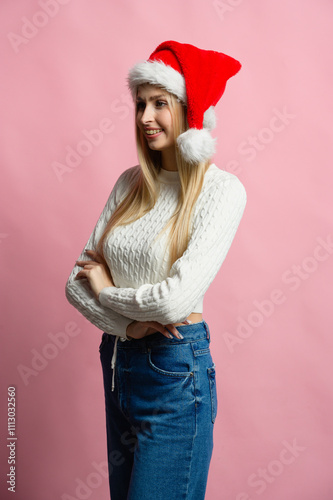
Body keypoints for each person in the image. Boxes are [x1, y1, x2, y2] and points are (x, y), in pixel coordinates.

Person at [65, 40, 247, 500]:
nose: (145, 116)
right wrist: (129, 325)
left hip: (174, 374)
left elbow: (174, 299)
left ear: (190, 111)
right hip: (118, 365)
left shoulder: (221, 191)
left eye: (159, 103)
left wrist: (107, 294)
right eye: (140, 103)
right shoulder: (129, 184)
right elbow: (74, 282)